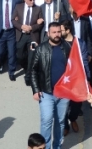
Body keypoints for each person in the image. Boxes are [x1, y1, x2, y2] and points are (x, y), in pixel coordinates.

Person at [28, 21, 71, 149]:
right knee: (46, 121)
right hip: (46, 92)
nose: (57, 35)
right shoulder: (41, 49)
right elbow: (33, 70)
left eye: (59, 32)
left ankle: (57, 146)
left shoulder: (67, 47)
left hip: (63, 93)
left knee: (60, 122)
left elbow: (74, 68)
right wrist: (36, 90)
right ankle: (44, 147)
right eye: (54, 32)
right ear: (48, 33)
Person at [0, 0, 18, 81]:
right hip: (1, 31)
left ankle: (11, 71)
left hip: (12, 31)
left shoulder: (17, 1)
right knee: (0, 52)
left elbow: (20, 12)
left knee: (12, 53)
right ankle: (1, 63)